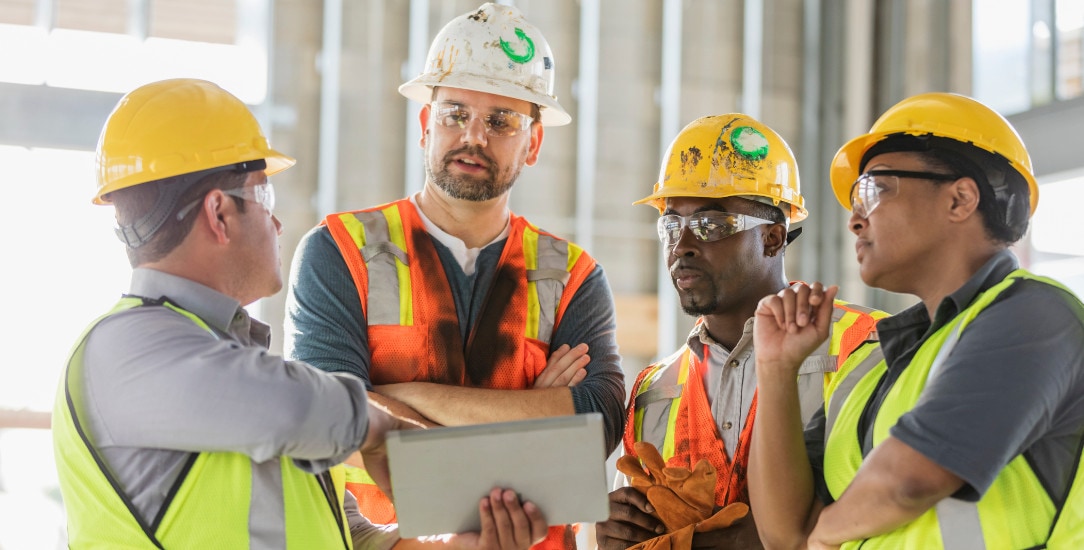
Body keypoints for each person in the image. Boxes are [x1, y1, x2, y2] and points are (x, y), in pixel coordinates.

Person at [53, 77, 551, 549]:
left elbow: (350, 537)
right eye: (262, 196)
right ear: (219, 214)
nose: (275, 221)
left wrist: (463, 544)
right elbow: (294, 407)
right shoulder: (123, 350)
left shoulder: (230, 370)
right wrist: (387, 431)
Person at [283, 3, 625, 547]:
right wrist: (534, 411)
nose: (474, 137)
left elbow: (598, 424)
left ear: (533, 143)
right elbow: (329, 419)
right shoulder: (339, 252)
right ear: (425, 124)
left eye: (501, 121)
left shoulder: (573, 277)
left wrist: (394, 396)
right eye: (454, 113)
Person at [749, 92, 1084, 549]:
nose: (855, 220)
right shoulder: (869, 364)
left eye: (875, 189)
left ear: (960, 199)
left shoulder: (1035, 317)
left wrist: (824, 535)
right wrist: (776, 370)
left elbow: (911, 479)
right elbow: (783, 535)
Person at [595, 115, 885, 549]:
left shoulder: (863, 346)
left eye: (711, 225)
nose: (683, 246)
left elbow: (880, 512)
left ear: (772, 239)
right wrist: (617, 532)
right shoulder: (654, 390)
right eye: (671, 225)